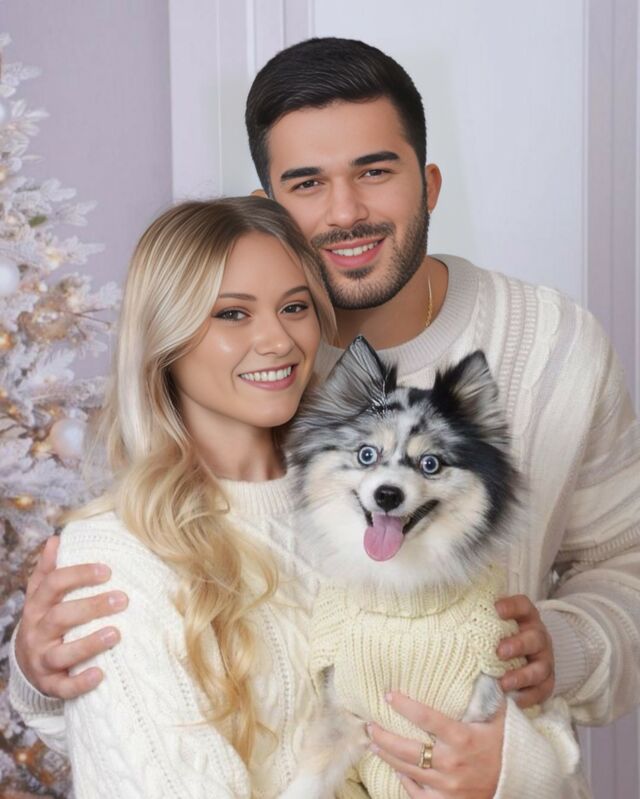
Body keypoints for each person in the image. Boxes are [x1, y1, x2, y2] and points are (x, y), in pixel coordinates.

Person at [10, 37, 640, 797]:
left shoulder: (555, 343)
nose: (346, 211)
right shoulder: (255, 388)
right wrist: (38, 674)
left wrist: (557, 653)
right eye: (307, 183)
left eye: (375, 171)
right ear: (270, 206)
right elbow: (163, 619)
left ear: (429, 184)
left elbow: (625, 562)